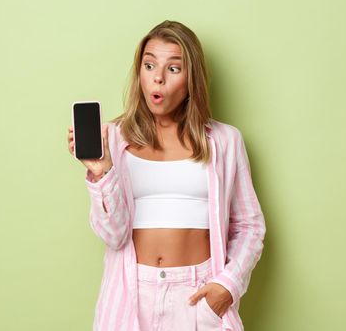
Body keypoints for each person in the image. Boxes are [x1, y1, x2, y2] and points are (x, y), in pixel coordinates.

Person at [67, 20, 266, 331]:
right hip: (132, 295)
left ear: (192, 79)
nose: (157, 78)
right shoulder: (115, 140)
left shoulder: (225, 141)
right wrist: (102, 172)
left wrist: (227, 286)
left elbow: (249, 226)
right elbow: (113, 236)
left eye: (173, 69)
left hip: (197, 296)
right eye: (149, 65)